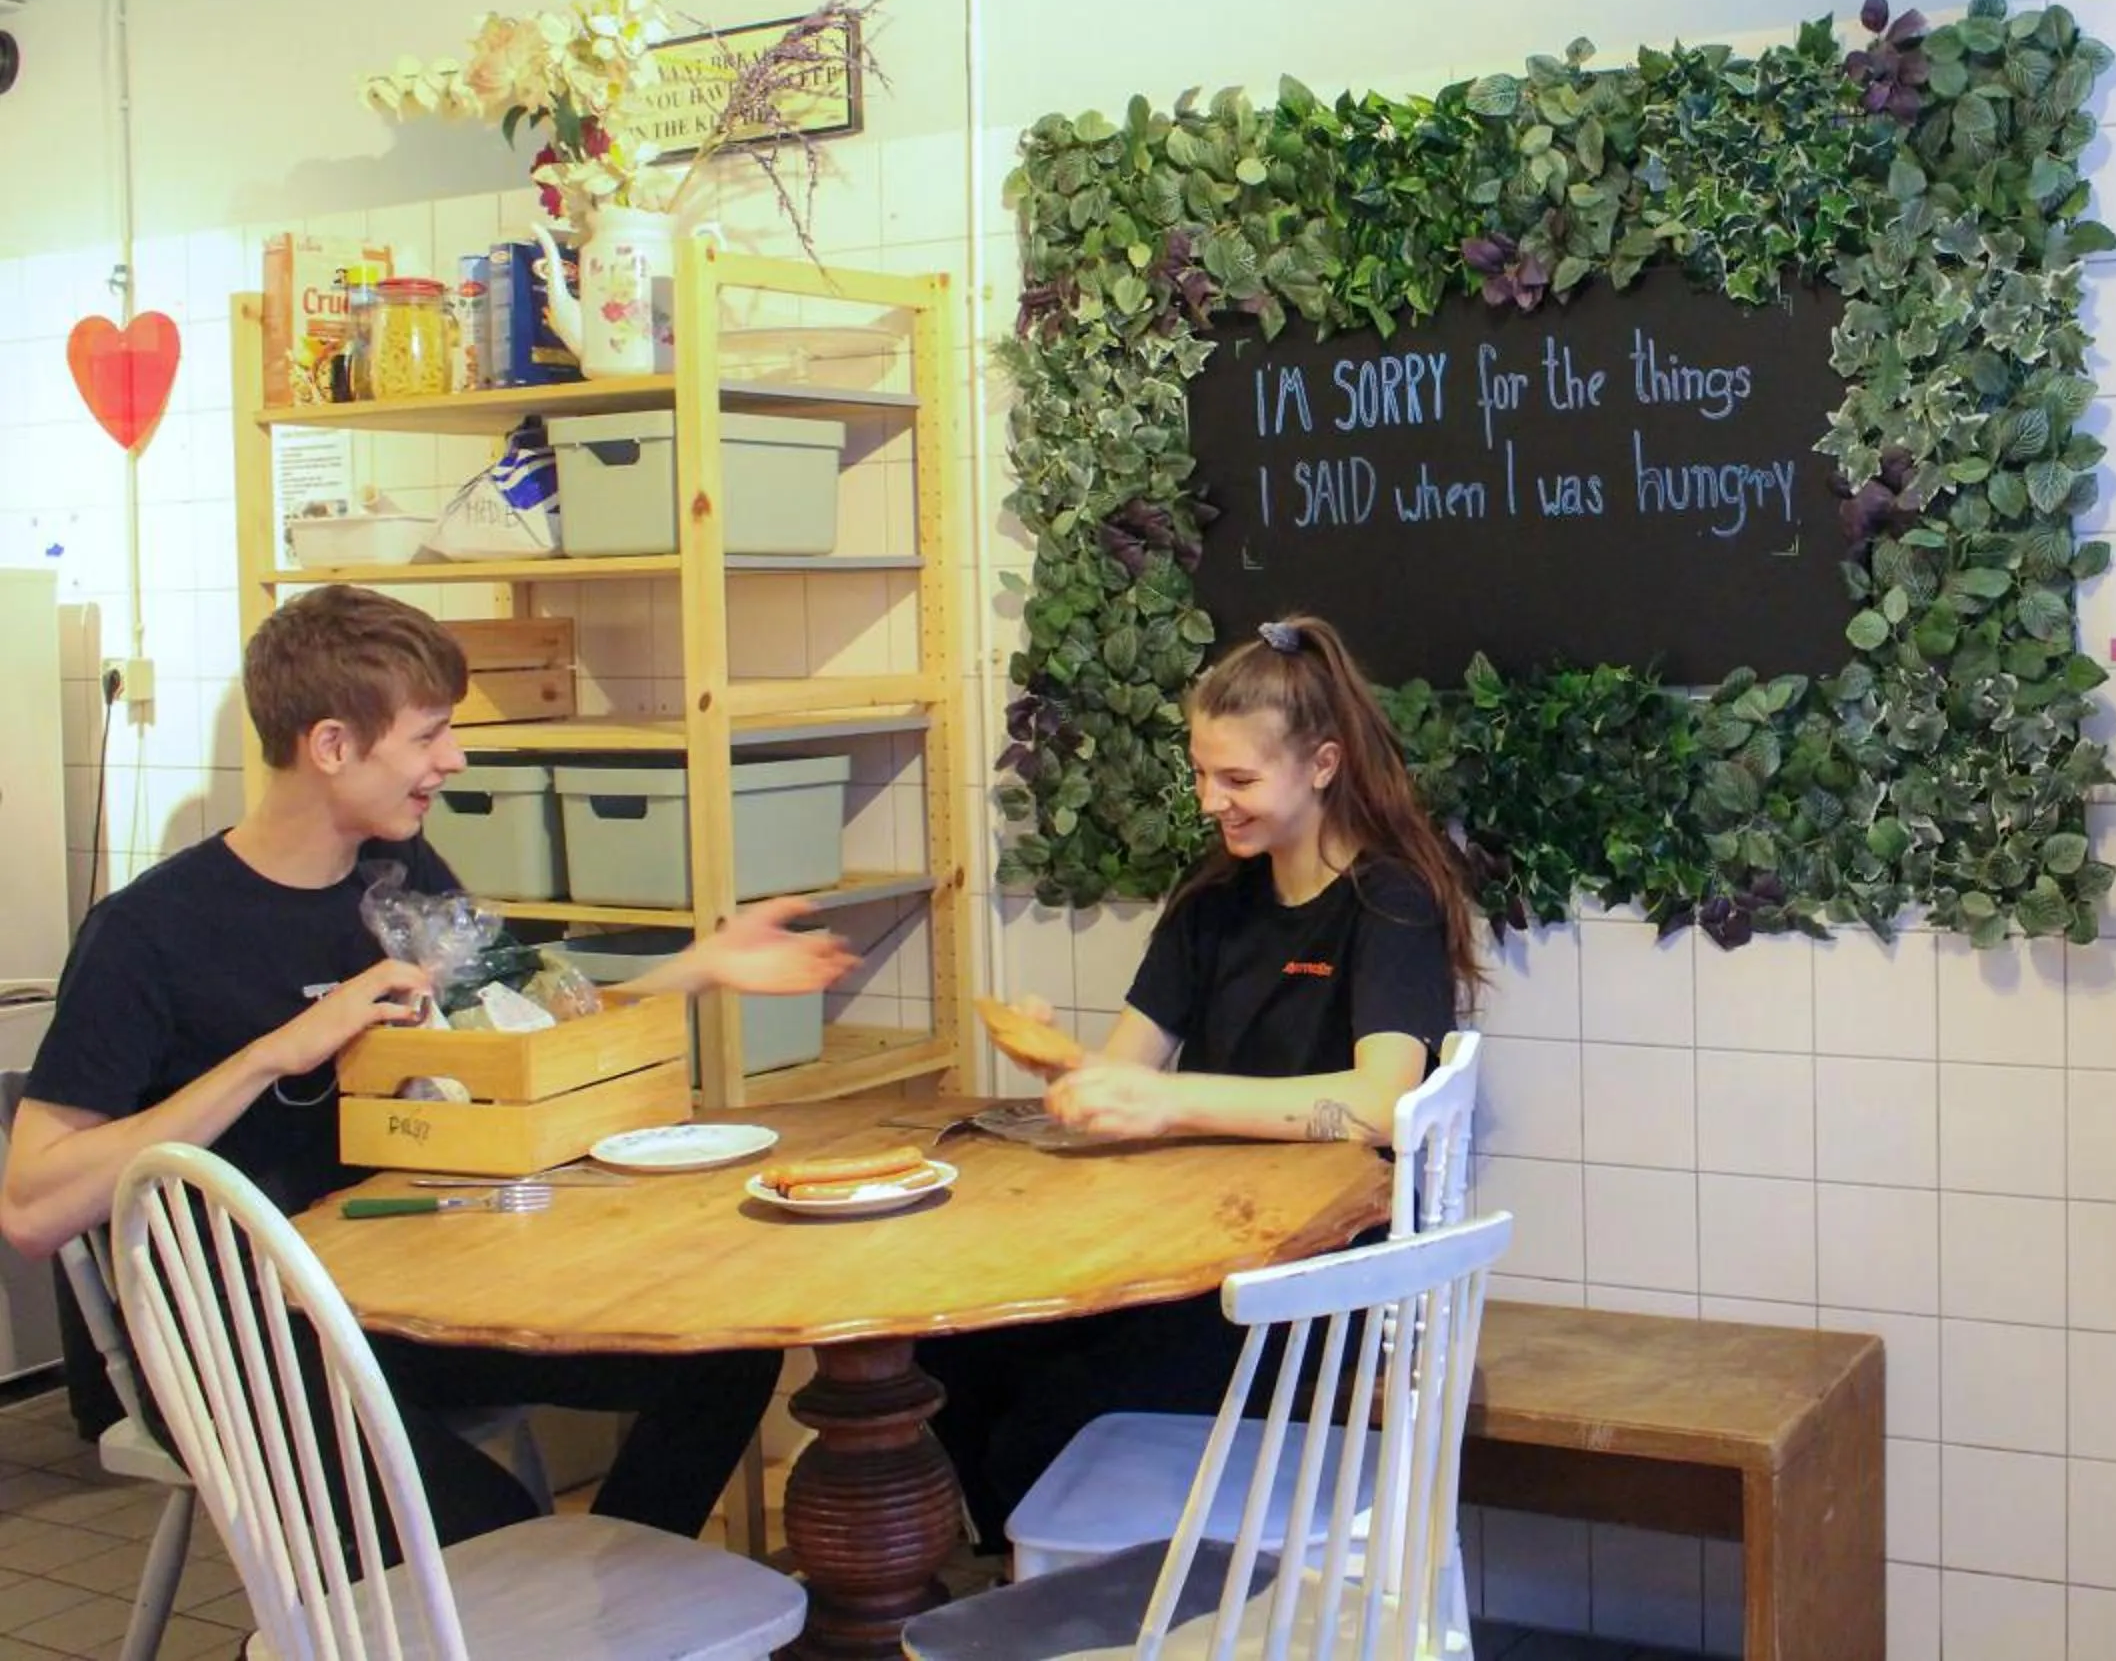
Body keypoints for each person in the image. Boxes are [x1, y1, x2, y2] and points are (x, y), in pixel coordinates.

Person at [0, 585, 851, 1547]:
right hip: (244, 1344)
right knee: (495, 1529)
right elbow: (31, 1207)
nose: (452, 758)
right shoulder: (148, 935)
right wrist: (275, 1054)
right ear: (331, 746)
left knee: (724, 1358)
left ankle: (604, 1607)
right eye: (428, 736)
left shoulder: (395, 884)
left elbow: (524, 1027)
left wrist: (699, 968)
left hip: (405, 1303)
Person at [921, 612, 1483, 1554]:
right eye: (1200, 773)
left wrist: (1171, 1101)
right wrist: (1068, 1069)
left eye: (1238, 779)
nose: (1211, 801)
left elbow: (1385, 1099)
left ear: (1323, 765)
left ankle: (1098, 1601)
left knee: (1053, 1409)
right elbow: (1128, 1078)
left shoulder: (1389, 900)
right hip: (1193, 1244)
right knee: (951, 1355)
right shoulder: (1214, 896)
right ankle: (1044, 1589)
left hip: (1316, 1273)